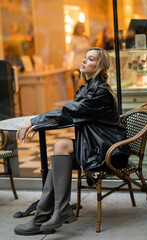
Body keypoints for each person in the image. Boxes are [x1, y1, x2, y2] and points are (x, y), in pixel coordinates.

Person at [14, 47, 130, 236]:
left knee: (61, 146)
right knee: (60, 148)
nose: (84, 61)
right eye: (84, 57)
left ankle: (49, 213)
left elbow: (69, 112)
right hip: (95, 147)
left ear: (100, 66)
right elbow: (72, 112)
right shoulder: (89, 88)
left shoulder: (100, 92)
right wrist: (38, 123)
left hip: (110, 152)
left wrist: (34, 122)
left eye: (90, 59)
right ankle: (48, 214)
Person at [69, 22, 90, 93]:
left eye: (82, 27)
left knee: (88, 84)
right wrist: (71, 65)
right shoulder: (74, 39)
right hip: (77, 64)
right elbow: (71, 52)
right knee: (77, 87)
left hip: (86, 64)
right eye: (79, 27)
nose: (81, 29)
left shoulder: (86, 38)